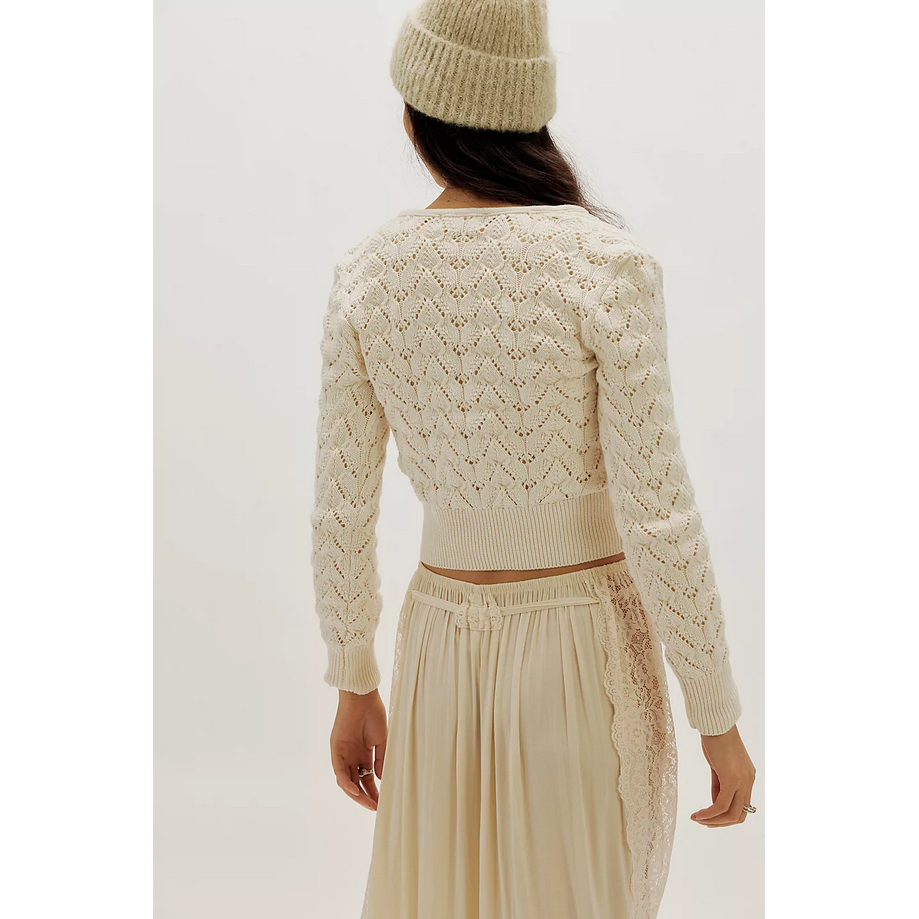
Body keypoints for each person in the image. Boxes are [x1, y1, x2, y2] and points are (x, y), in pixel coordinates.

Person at [310, 2, 756, 916]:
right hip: (581, 648)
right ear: (529, 116)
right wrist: (715, 713)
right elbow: (659, 510)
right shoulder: (602, 265)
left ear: (418, 113)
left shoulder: (367, 275)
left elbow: (341, 509)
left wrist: (354, 680)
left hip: (438, 653)